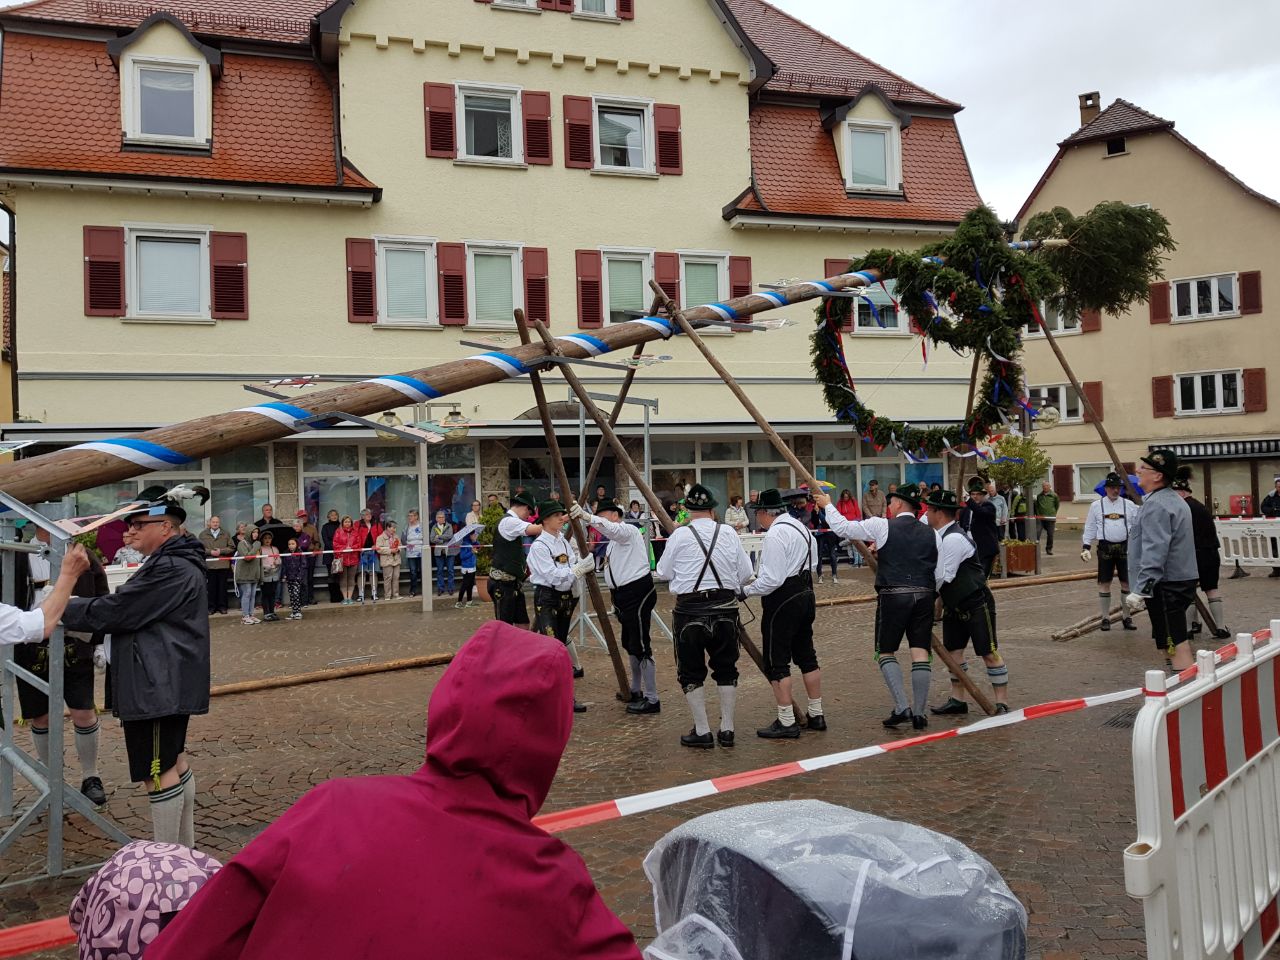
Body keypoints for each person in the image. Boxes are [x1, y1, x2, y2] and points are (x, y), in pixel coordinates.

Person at [145, 622, 642, 960]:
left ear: (446, 700)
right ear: (552, 739)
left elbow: (192, 941)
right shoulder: (556, 887)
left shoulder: (333, 806)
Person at [61, 488, 211, 846]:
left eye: (139, 524)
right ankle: (184, 853)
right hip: (161, 680)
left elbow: (120, 610)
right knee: (173, 762)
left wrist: (57, 606)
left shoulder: (170, 566)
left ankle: (168, 859)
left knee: (157, 771)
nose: (131, 531)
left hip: (157, 684)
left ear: (166, 527)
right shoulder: (170, 561)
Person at [817, 484, 936, 731]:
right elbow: (941, 571)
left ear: (899, 504)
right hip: (925, 594)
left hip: (893, 594)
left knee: (885, 651)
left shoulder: (882, 525)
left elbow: (843, 528)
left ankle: (902, 706)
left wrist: (827, 505)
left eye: (891, 502)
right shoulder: (931, 532)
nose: (889, 506)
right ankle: (919, 713)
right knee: (920, 652)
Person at [655, 483, 753, 749]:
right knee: (726, 668)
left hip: (690, 610)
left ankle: (702, 730)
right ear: (712, 510)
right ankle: (728, 729)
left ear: (687, 511)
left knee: (690, 671)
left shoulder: (679, 535)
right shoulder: (728, 532)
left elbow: (663, 572)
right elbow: (746, 573)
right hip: (725, 608)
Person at [14, 531, 107, 805]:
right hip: (30, 645)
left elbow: (101, 598)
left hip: (75, 642)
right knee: (40, 716)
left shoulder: (82, 555)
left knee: (83, 712)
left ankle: (91, 776)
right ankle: (51, 777)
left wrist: (99, 643)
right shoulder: (16, 555)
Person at [924, 489, 1010, 717]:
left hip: (976, 602)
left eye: (929, 510)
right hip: (955, 605)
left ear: (938, 512)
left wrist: (920, 597)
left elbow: (944, 577)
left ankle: (1001, 702)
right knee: (954, 653)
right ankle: (957, 700)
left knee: (988, 652)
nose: (926, 514)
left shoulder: (953, 539)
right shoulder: (940, 535)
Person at [745, 489, 822, 739]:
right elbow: (813, 564)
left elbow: (772, 579)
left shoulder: (775, 534)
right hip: (806, 593)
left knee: (776, 661)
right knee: (807, 656)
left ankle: (787, 720)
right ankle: (816, 713)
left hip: (783, 599)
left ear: (765, 512)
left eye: (757, 513)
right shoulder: (803, 529)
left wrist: (746, 591)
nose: (757, 518)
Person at [572, 498, 660, 714]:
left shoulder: (628, 530)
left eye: (602, 517)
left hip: (637, 592)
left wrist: (587, 516)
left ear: (614, 515)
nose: (599, 522)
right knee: (630, 643)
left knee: (641, 644)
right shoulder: (613, 542)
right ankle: (636, 689)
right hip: (622, 595)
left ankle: (652, 698)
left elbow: (612, 529)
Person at [69, 840, 222, 960]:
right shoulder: (210, 875)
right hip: (197, 891)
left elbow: (78, 917)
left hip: (120, 905)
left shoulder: (105, 889)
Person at [1128, 449, 1199, 671]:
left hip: (1167, 583)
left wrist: (1142, 588)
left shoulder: (1157, 505)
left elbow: (1155, 550)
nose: (1138, 471)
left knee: (1175, 642)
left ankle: (1186, 686)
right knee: (1168, 638)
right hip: (1175, 580)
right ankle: (1176, 679)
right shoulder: (1170, 500)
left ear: (1157, 475)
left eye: (1144, 468)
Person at [527, 500, 596, 713]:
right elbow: (552, 575)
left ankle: (564, 697)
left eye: (561, 514)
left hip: (565, 597)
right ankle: (548, 696)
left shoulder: (564, 542)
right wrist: (577, 570)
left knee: (561, 647)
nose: (561, 518)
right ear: (545, 520)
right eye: (556, 515)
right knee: (552, 648)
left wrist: (578, 569)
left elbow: (571, 563)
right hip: (547, 598)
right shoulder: (539, 546)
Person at [1173, 466, 1229, 640]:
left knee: (1188, 591)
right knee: (1212, 589)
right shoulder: (1200, 506)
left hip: (1192, 554)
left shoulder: (1182, 509)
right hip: (1210, 554)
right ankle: (1220, 627)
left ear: (1182, 492)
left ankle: (1189, 628)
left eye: (1175, 492)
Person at [1081, 472, 1140, 632]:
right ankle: (1105, 618)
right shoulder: (1096, 506)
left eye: (1118, 487)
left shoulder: (1129, 505)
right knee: (1104, 582)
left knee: (1126, 582)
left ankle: (1126, 617)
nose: (1116, 490)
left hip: (1125, 547)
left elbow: (1139, 523)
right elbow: (1090, 526)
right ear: (1106, 488)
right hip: (1105, 547)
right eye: (1112, 487)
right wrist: (1086, 546)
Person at [491, 492, 540, 626]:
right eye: (529, 513)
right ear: (525, 507)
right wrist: (560, 519)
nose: (528, 517)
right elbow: (536, 529)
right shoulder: (509, 521)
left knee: (523, 623)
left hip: (513, 583)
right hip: (502, 583)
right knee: (504, 627)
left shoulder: (511, 521)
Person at [959, 478, 1001, 578]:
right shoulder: (965, 510)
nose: (975, 496)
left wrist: (968, 500)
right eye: (973, 494)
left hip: (985, 549)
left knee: (981, 577)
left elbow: (979, 512)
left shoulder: (989, 507)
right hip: (968, 548)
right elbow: (962, 526)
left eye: (978, 494)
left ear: (983, 495)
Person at [198, 516, 232, 615]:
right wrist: (210, 552)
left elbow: (232, 547)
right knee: (211, 588)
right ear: (210, 523)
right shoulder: (203, 534)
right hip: (210, 565)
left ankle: (223, 607)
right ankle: (211, 607)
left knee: (222, 588)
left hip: (223, 564)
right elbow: (199, 548)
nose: (215, 524)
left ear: (219, 523)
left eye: (217, 522)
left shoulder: (226, 534)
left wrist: (221, 551)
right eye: (213, 522)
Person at [808, 494, 840, 585]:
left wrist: (819, 513)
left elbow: (826, 521)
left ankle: (834, 575)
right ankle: (820, 575)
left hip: (830, 534)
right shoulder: (814, 510)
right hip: (819, 534)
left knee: (832, 554)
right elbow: (814, 522)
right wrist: (816, 513)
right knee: (819, 555)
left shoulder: (828, 509)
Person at [233, 527, 262, 625]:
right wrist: (256, 547)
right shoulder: (242, 543)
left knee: (253, 595)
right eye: (253, 532)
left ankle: (251, 614)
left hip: (254, 574)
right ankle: (245, 616)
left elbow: (259, 561)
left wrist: (259, 575)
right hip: (244, 574)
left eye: (257, 532)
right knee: (247, 593)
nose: (255, 534)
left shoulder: (256, 544)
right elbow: (247, 557)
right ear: (249, 532)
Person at [354, 508, 383, 603]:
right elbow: (355, 537)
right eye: (366, 514)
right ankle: (360, 594)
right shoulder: (358, 524)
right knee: (361, 573)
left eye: (370, 513)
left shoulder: (376, 523)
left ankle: (374, 593)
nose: (369, 515)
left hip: (373, 551)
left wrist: (376, 545)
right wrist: (359, 547)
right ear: (362, 516)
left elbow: (381, 537)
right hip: (362, 551)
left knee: (373, 572)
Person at [332, 516, 361, 605]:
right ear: (342, 523)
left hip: (353, 559)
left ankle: (350, 598)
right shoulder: (338, 532)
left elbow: (359, 544)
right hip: (342, 559)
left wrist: (351, 548)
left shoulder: (355, 532)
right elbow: (335, 544)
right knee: (343, 580)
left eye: (349, 522)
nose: (347, 523)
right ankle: (345, 598)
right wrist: (345, 548)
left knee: (351, 579)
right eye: (346, 522)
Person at [294, 511, 319, 605]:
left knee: (310, 578)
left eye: (305, 516)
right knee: (299, 578)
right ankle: (301, 599)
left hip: (310, 555)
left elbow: (317, 542)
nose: (303, 518)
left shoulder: (312, 528)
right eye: (301, 517)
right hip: (298, 556)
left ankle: (310, 597)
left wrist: (315, 551)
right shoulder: (295, 528)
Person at [430, 509, 456, 597]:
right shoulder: (434, 527)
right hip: (439, 551)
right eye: (439, 517)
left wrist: (439, 537)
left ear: (445, 518)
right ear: (436, 518)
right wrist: (441, 541)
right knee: (440, 571)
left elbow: (450, 536)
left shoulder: (449, 526)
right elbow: (432, 539)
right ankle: (440, 588)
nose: (441, 519)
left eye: (443, 517)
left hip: (449, 551)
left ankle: (451, 588)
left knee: (450, 571)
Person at [288, 516, 314, 606]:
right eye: (294, 526)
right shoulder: (290, 536)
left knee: (304, 583)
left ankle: (304, 601)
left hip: (303, 563)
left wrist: (295, 545)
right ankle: (295, 602)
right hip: (292, 563)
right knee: (293, 584)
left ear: (301, 527)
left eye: (298, 526)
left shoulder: (305, 535)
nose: (296, 528)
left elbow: (305, 545)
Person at [281, 537, 308, 620]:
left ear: (296, 544)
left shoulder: (300, 553)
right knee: (292, 595)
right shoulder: (286, 553)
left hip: (297, 577)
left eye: (293, 544)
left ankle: (298, 612)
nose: (291, 545)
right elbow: (284, 565)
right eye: (289, 544)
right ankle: (294, 612)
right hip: (289, 577)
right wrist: (284, 575)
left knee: (296, 594)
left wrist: (300, 575)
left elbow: (303, 565)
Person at [377, 520, 403, 600]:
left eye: (395, 528)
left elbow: (400, 546)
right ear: (387, 527)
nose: (394, 529)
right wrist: (390, 551)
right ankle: (387, 595)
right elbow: (379, 549)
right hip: (387, 560)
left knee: (396, 577)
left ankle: (396, 594)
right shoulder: (380, 537)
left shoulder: (396, 536)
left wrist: (398, 550)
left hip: (396, 559)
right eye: (393, 528)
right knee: (388, 578)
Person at [320, 509, 342, 604]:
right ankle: (333, 597)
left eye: (335, 514)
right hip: (330, 554)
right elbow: (326, 540)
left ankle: (341, 596)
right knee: (331, 575)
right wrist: (335, 548)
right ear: (328, 517)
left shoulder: (341, 526)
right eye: (332, 515)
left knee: (340, 576)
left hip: (340, 554)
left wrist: (339, 548)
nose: (334, 516)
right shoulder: (325, 527)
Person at [258, 531, 281, 622]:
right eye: (265, 538)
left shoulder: (274, 549)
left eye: (269, 538)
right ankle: (266, 613)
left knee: (272, 594)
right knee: (265, 594)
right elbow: (259, 562)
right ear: (262, 540)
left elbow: (279, 559)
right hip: (265, 574)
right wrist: (266, 567)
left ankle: (272, 611)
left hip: (274, 574)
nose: (267, 540)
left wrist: (277, 562)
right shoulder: (260, 549)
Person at [1034, 481, 1060, 556]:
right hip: (1040, 518)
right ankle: (1035, 548)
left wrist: (1053, 513)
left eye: (1046, 486)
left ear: (1049, 487)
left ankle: (1049, 549)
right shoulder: (1039, 496)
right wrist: (1038, 514)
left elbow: (1057, 505)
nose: (1045, 487)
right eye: (1043, 486)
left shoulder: (1054, 495)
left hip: (1050, 518)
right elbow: (1037, 506)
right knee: (1037, 533)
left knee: (1050, 534)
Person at [404, 509, 425, 598]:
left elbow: (425, 537)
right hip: (410, 552)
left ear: (416, 516)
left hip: (421, 551)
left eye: (411, 516)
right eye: (408, 516)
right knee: (413, 572)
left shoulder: (422, 526)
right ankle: (413, 590)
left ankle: (425, 589)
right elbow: (403, 538)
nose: (409, 517)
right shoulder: (407, 527)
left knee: (422, 570)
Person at [1262, 478, 1280, 577]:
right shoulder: (1271, 496)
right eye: (1278, 487)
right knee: (1274, 548)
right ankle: (1276, 570)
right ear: (1276, 487)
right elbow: (1263, 507)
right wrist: (1272, 510)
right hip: (1273, 526)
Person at [456, 530, 478, 608]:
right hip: (467, 567)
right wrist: (471, 552)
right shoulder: (464, 544)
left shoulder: (471, 543)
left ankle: (469, 601)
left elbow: (478, 547)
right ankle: (459, 602)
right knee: (465, 585)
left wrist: (475, 541)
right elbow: (462, 557)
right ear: (469, 535)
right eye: (473, 535)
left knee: (470, 584)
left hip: (472, 566)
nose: (475, 536)